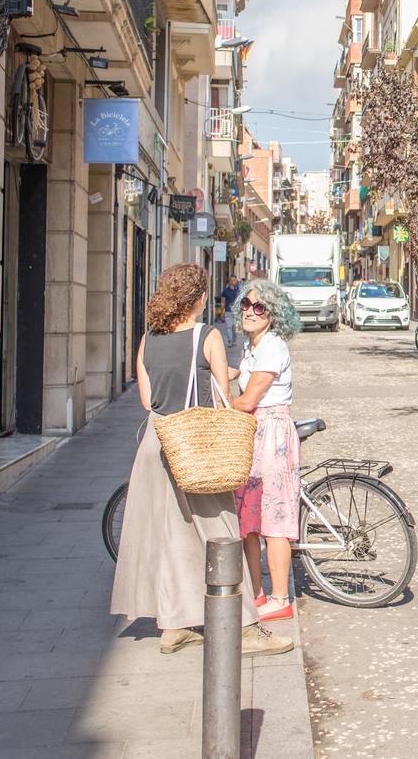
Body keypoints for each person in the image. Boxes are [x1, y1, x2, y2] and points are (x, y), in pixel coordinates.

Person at [110, 263, 292, 657]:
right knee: (221, 531)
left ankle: (173, 626)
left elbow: (148, 400)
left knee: (170, 536)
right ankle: (244, 629)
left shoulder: (148, 338)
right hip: (196, 445)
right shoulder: (206, 335)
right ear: (200, 298)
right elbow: (223, 398)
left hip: (157, 443)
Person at [231, 279, 303, 621]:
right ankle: (256, 593)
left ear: (272, 315)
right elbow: (236, 381)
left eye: (259, 307)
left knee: (274, 518)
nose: (250, 312)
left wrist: (217, 404)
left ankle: (280, 598)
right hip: (254, 434)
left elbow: (247, 400)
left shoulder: (272, 346)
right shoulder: (252, 346)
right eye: (246, 305)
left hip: (272, 433)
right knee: (249, 518)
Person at [219, 276, 242, 347]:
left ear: (236, 281)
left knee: (234, 328)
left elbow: (241, 302)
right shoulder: (225, 291)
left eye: (234, 280)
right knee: (228, 327)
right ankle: (230, 341)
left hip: (236, 312)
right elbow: (223, 302)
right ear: (229, 282)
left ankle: (234, 341)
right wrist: (222, 312)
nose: (232, 282)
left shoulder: (238, 291)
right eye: (231, 280)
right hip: (228, 312)